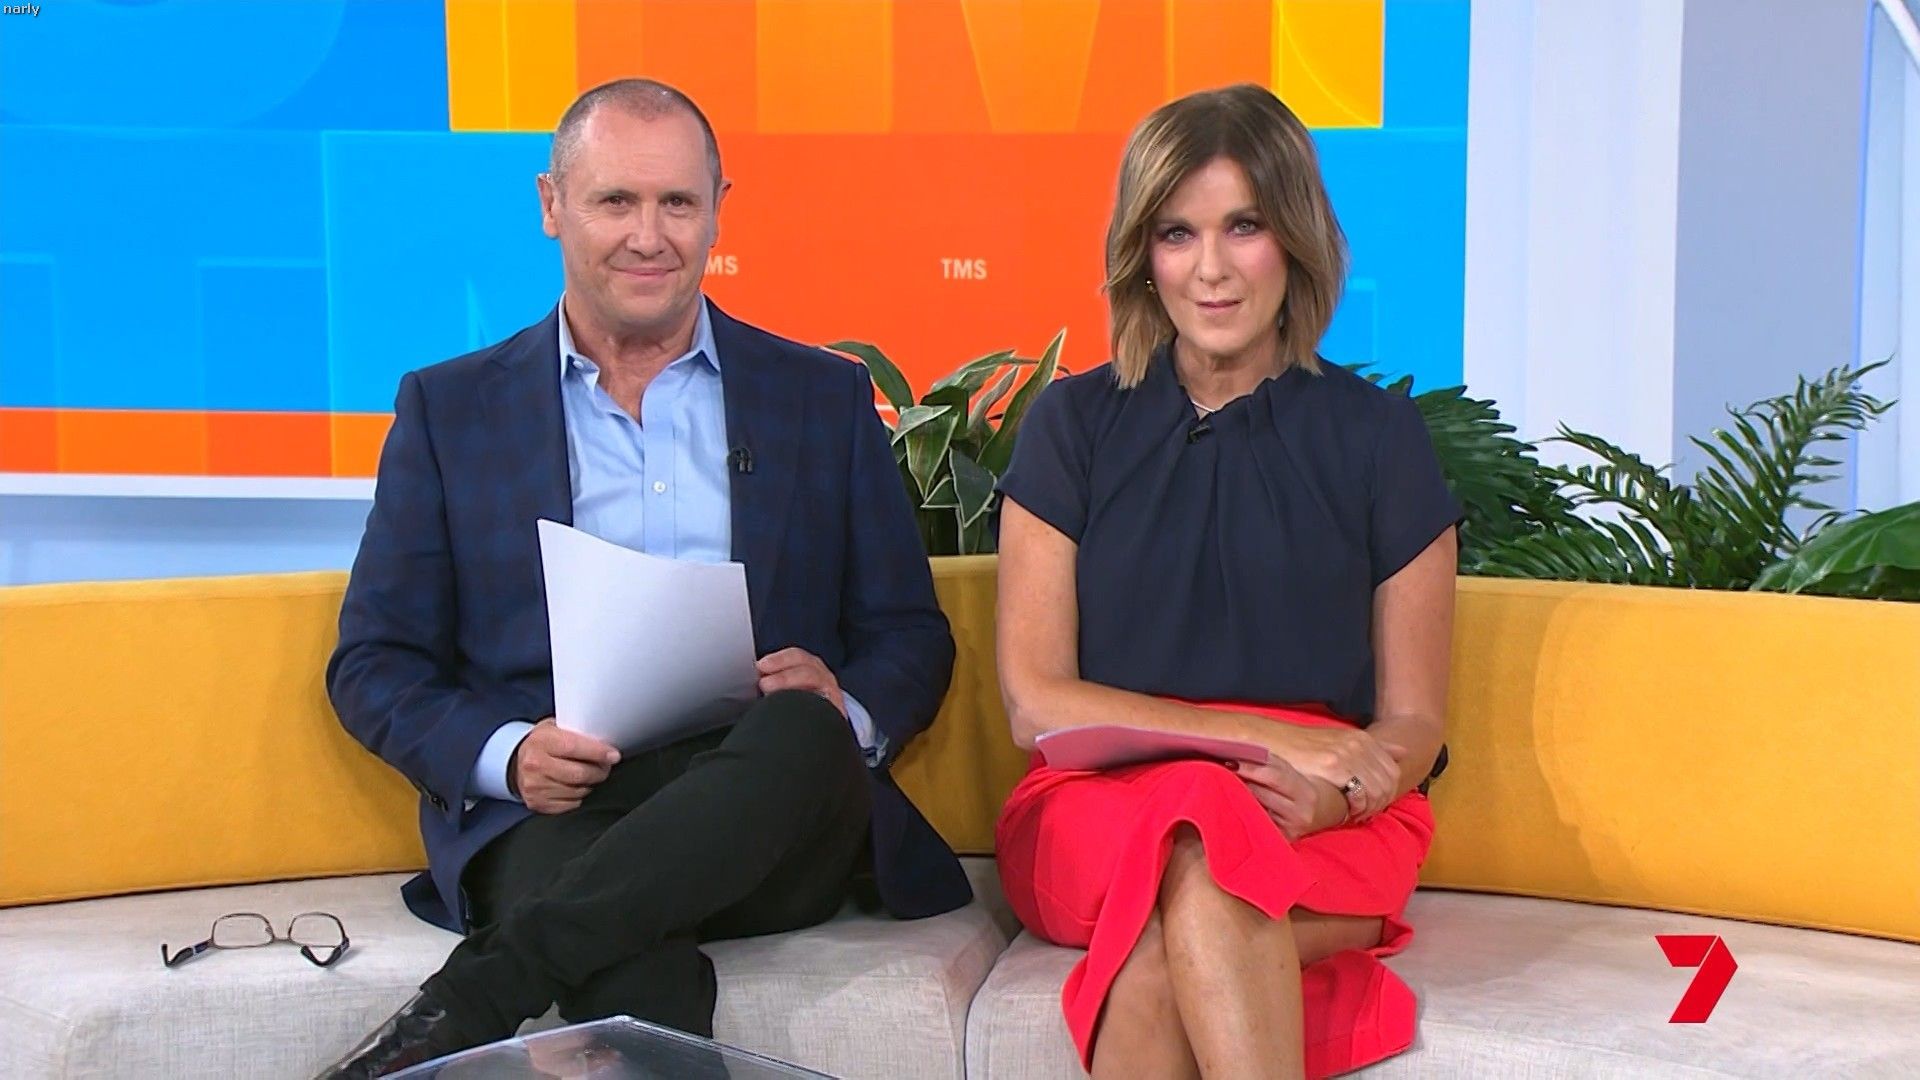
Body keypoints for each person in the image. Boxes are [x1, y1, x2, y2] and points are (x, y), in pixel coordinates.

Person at [316, 78, 971, 1079]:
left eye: (677, 203)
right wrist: (507, 756)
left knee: (805, 729)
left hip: (769, 810)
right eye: (615, 201)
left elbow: (910, 635)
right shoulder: (450, 412)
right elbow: (374, 662)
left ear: (718, 211)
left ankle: (473, 998)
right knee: (617, 936)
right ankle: (523, 974)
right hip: (559, 812)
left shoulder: (820, 397)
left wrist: (844, 703)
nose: (649, 236)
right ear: (552, 205)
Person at [991, 84, 1460, 1079]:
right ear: (1142, 254)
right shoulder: (1071, 426)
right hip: (1100, 802)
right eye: (1177, 233)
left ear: (1294, 239)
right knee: (1203, 835)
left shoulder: (1380, 438)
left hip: (1316, 807)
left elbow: (1416, 721)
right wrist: (1262, 738)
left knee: (1174, 944)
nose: (1210, 268)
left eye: (1243, 226)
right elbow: (1036, 703)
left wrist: (1340, 792)